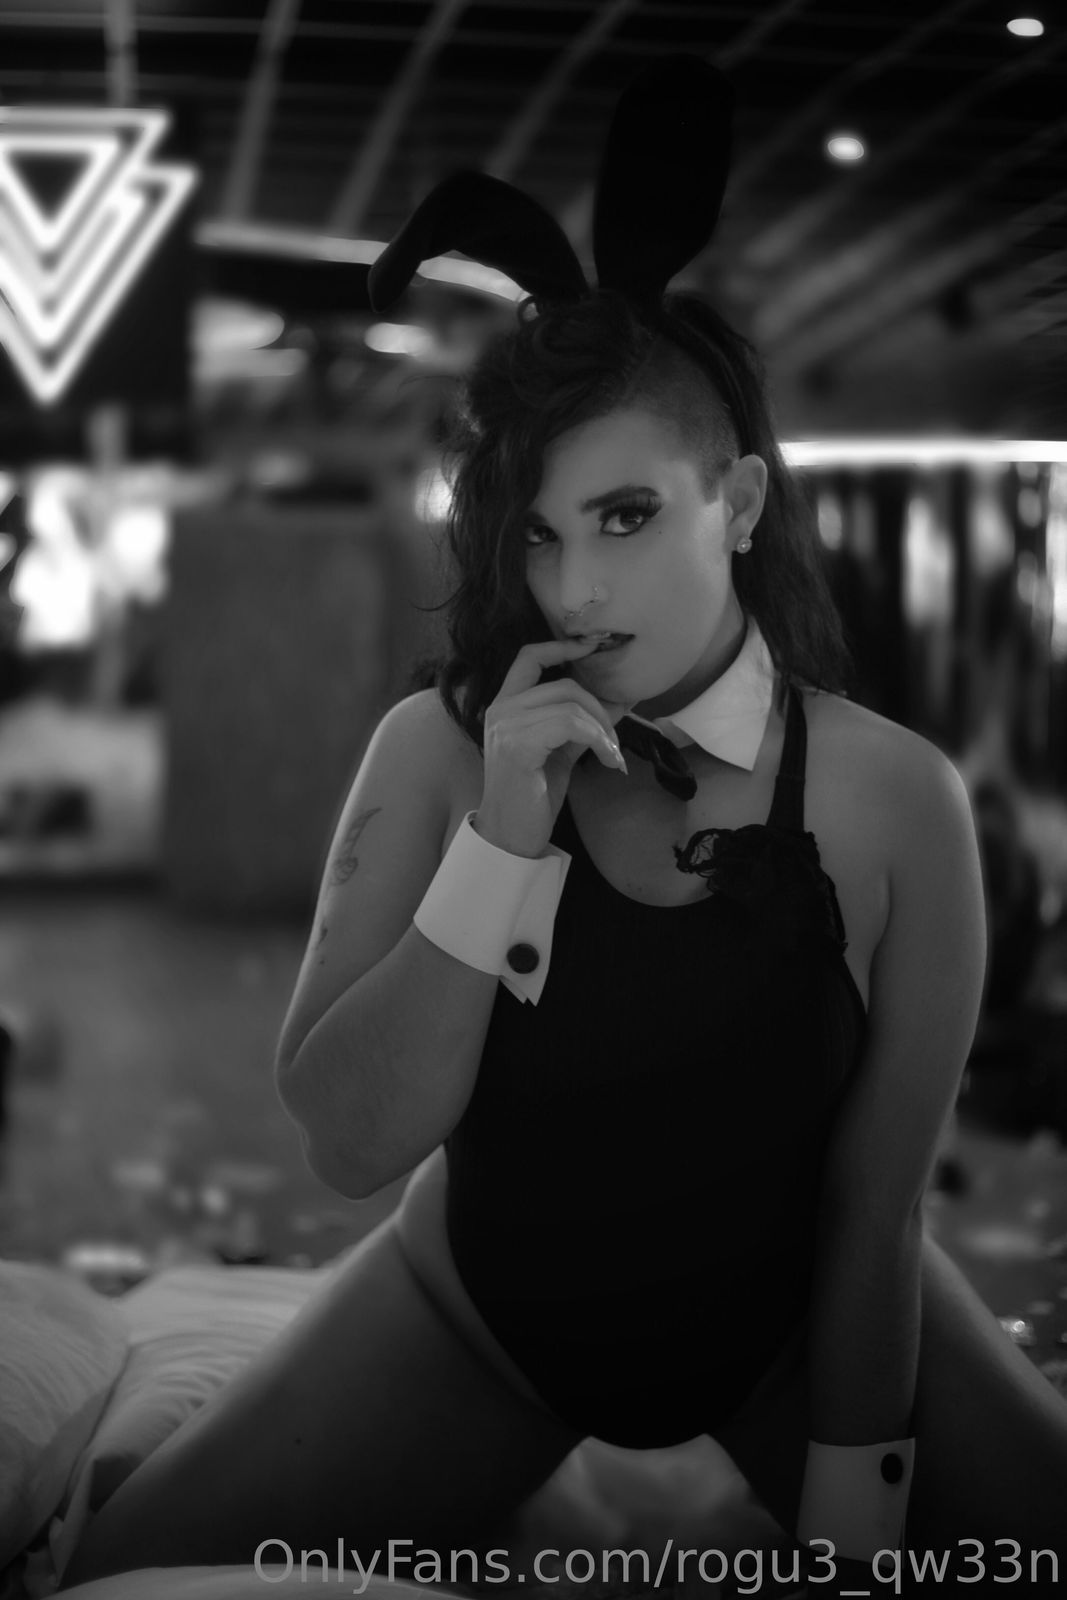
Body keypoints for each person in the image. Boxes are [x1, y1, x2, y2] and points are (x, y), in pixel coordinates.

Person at [63, 57, 1067, 1599]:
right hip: (479, 1317)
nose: (575, 590)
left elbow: (874, 1218)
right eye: (536, 534)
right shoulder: (437, 746)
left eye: (626, 517)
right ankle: (538, 1503)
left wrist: (854, 1544)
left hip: (792, 1325)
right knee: (125, 1575)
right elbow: (346, 1144)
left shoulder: (895, 801)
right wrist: (502, 836)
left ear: (738, 504)